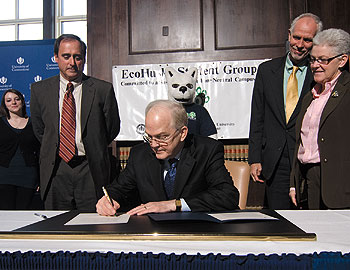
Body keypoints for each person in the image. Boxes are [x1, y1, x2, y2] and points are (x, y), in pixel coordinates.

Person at [96, 100, 239, 216]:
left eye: (162, 137)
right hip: (152, 235)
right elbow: (119, 188)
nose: (154, 144)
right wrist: (108, 200)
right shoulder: (139, 154)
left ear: (182, 133)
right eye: (149, 137)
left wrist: (175, 204)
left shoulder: (207, 150)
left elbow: (227, 195)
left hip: (196, 230)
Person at [30, 34, 120, 211]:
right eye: (66, 56)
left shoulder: (102, 89)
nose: (72, 62)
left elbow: (111, 128)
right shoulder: (39, 90)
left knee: (92, 227)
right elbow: (40, 130)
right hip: (56, 169)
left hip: (90, 169)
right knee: (55, 228)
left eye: (77, 57)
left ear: (84, 59)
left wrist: (94, 146)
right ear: (56, 57)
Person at [248, 13, 323, 209]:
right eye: (296, 37)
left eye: (308, 40)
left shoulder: (320, 75)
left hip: (308, 160)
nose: (300, 44)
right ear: (289, 35)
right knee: (281, 221)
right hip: (275, 161)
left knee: (310, 220)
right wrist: (255, 158)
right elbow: (258, 117)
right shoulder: (266, 70)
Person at [290, 28, 350, 209]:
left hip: (340, 185)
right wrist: (294, 181)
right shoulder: (310, 94)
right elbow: (301, 140)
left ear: (342, 60)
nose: (315, 65)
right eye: (313, 59)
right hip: (310, 181)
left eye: (323, 60)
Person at [0, 89, 40, 209]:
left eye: (17, 99)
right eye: (9, 100)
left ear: (22, 102)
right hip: (3, 177)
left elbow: (40, 152)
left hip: (28, 177)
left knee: (24, 215)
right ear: (5, 104)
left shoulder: (34, 123)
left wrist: (40, 180)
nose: (13, 102)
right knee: (7, 216)